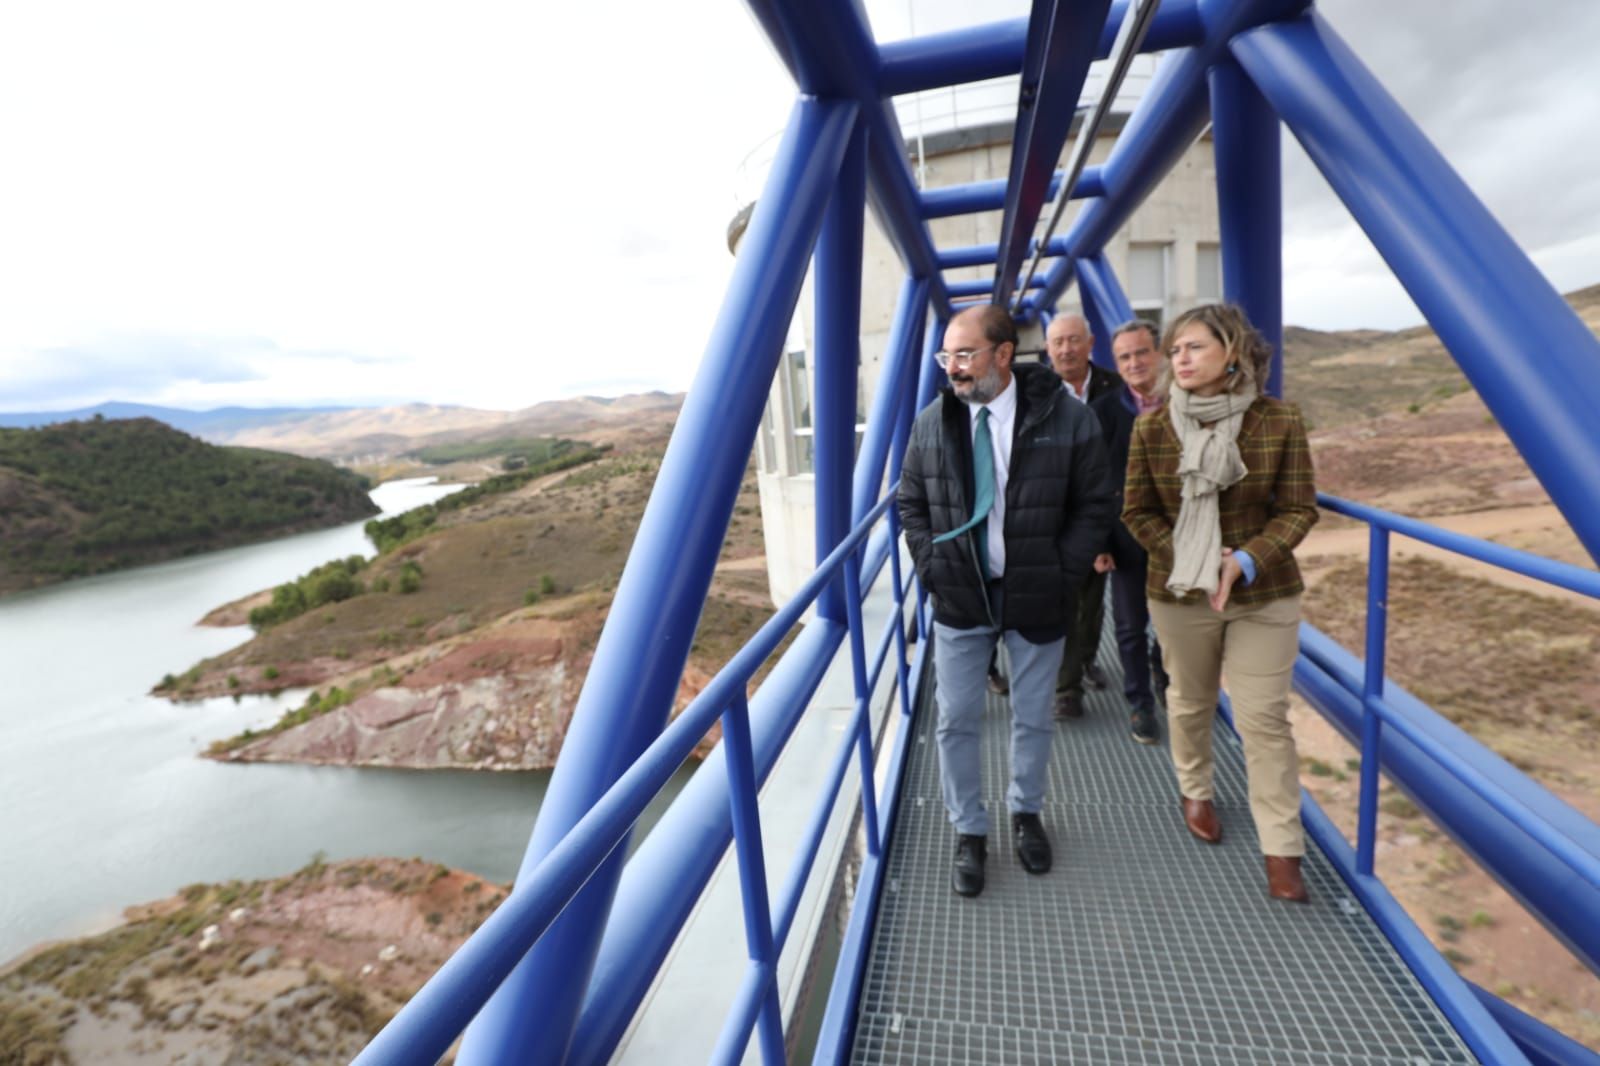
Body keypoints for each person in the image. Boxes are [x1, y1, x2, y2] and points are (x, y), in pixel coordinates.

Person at [899, 304, 1113, 898]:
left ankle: (1026, 814)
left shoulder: (1068, 419)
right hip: (962, 598)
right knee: (956, 720)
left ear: (1002, 354)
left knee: (1032, 716)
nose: (954, 369)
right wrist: (933, 566)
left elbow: (1095, 505)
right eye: (946, 356)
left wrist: (1061, 572)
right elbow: (910, 502)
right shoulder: (931, 423)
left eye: (964, 355)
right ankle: (969, 831)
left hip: (1037, 594)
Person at [1122, 303, 1319, 903]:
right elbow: (1137, 512)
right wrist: (1198, 560)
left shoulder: (1279, 420)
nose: (1179, 359)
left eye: (1194, 348)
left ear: (1231, 353)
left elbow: (1298, 509)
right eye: (1175, 349)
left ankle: (1282, 849)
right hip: (1182, 593)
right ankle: (1196, 788)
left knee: (1264, 721)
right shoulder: (1152, 429)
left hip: (1264, 592)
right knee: (1190, 701)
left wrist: (1245, 559)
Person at [1088, 319, 1167, 745]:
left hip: (1180, 541)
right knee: (1130, 626)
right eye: (1124, 357)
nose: (1134, 363)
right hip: (1126, 538)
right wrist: (1099, 542)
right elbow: (1094, 483)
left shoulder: (1185, 405)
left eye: (1141, 352)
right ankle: (1140, 703)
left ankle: (1164, 673)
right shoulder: (1102, 412)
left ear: (1160, 353)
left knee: (1177, 627)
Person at [1045, 313, 1120, 719]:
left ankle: (1087, 659)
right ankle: (1066, 688)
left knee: (1092, 602)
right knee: (1064, 604)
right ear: (1047, 348)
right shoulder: (1034, 392)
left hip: (1102, 511)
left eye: (1073, 340)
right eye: (1057, 342)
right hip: (1055, 516)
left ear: (1091, 344)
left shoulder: (1115, 387)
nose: (1065, 349)